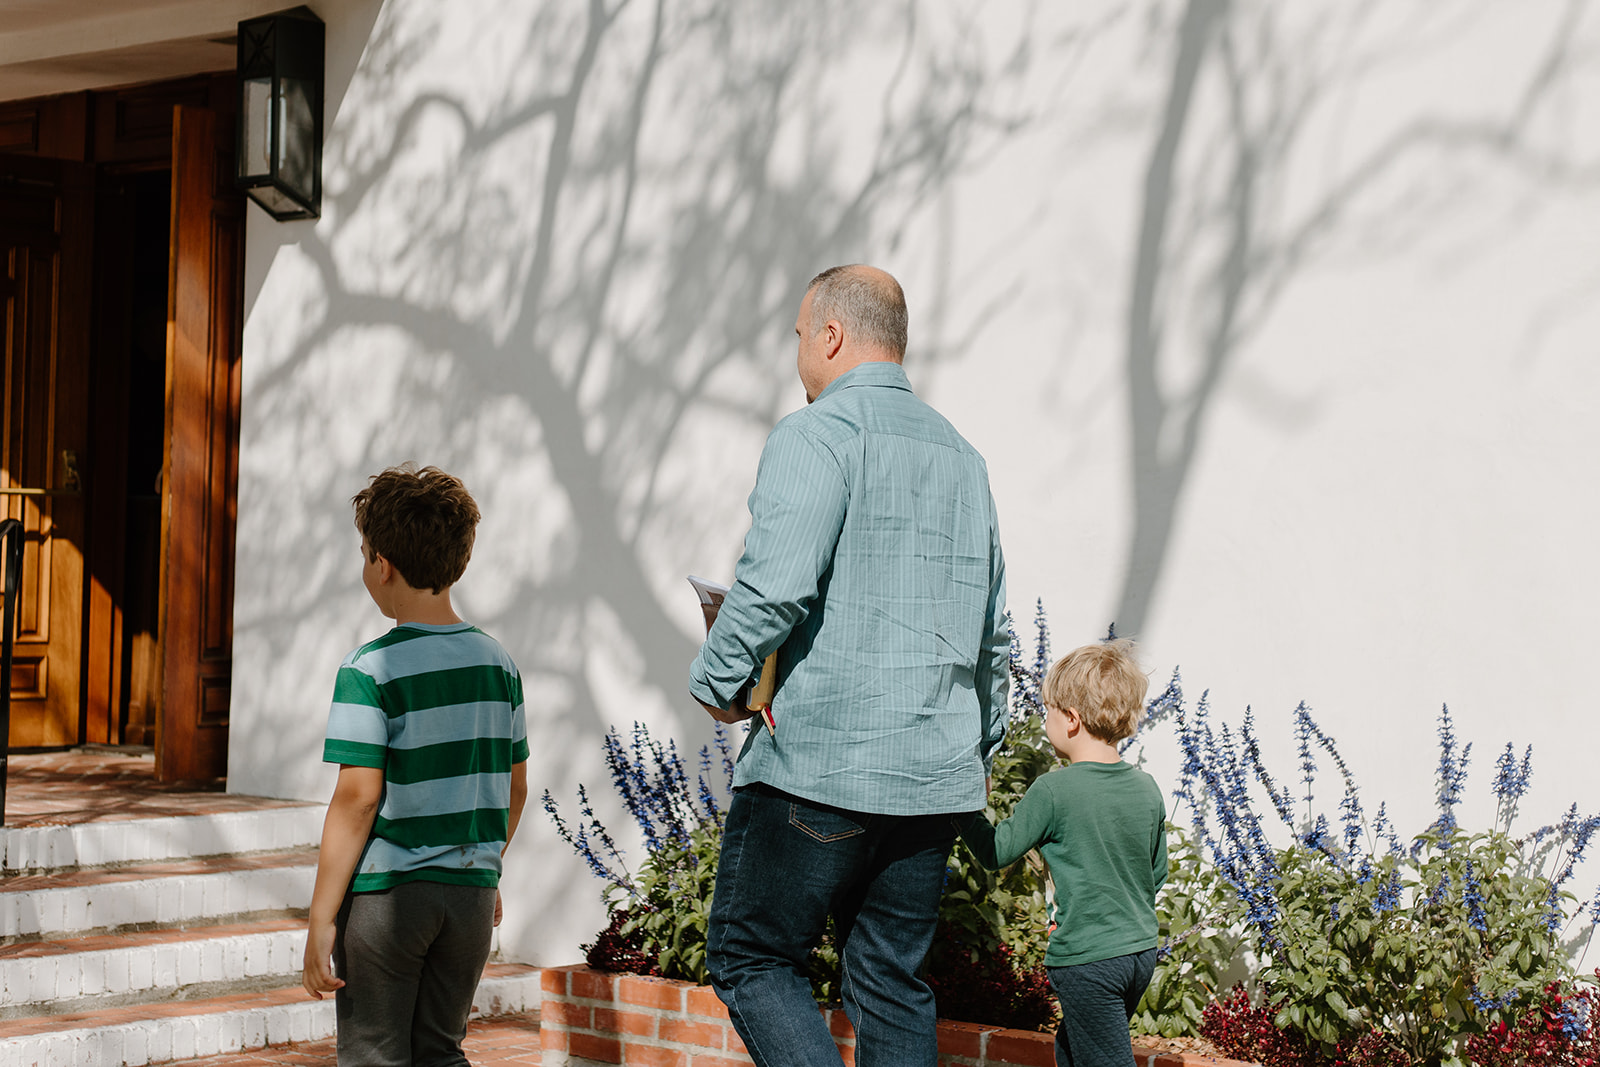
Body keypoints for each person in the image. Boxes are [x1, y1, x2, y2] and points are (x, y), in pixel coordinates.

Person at [688, 264, 1010, 1067]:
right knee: (889, 981)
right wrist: (977, 748)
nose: (799, 351)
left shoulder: (817, 434)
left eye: (801, 334)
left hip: (819, 768)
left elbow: (773, 588)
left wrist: (717, 682)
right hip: (932, 781)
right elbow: (994, 635)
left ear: (831, 335)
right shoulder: (965, 459)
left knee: (751, 957)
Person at [302, 464, 530, 1067]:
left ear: (382, 564)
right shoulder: (498, 664)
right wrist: (485, 864)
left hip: (388, 901)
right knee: (441, 1052)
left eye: (363, 555)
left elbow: (358, 798)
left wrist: (321, 917)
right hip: (470, 898)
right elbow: (515, 788)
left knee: (375, 1056)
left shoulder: (369, 670)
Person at [958, 639, 1167, 1067]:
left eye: (1048, 710)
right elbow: (1156, 873)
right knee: (1073, 1050)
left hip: (1089, 961)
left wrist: (959, 808)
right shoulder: (1147, 788)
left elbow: (996, 851)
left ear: (1071, 719)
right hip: (1140, 953)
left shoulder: (1054, 790)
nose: (1044, 720)